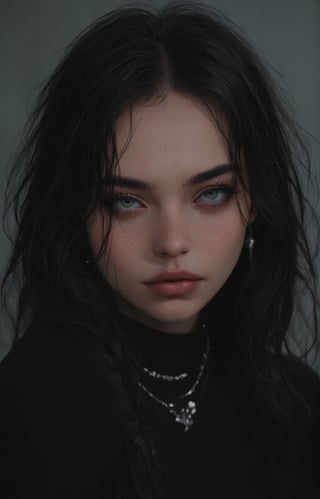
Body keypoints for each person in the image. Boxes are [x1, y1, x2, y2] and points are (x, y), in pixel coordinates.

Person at [0, 3, 319, 498]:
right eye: (126, 201)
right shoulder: (33, 406)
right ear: (76, 210)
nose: (171, 242)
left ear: (256, 200)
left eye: (211, 193)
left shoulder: (297, 402)